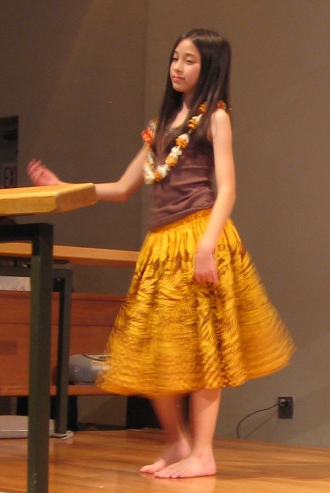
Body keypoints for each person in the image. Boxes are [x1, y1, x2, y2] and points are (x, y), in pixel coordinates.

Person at [27, 28, 294, 479]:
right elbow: (123, 187)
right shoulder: (161, 127)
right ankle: (176, 442)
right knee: (149, 351)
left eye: (189, 60)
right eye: (175, 58)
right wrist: (64, 188)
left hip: (199, 237)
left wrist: (207, 246)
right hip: (161, 246)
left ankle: (203, 453)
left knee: (202, 351)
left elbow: (227, 189)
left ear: (208, 68)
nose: (177, 67)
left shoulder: (215, 118)